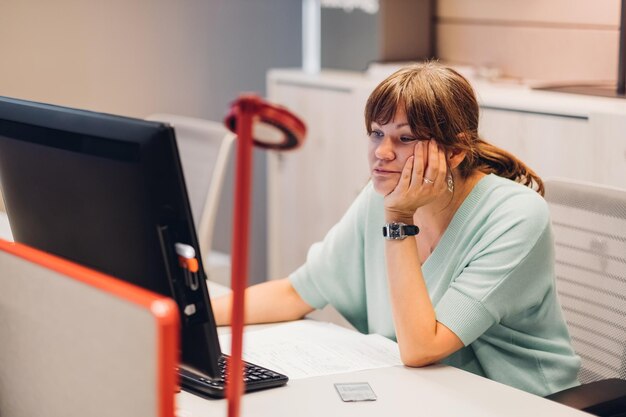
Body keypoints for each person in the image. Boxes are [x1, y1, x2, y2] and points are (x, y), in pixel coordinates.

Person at [212, 61, 581, 396]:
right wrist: (188, 316)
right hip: (422, 391)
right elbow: (297, 292)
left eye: (404, 138)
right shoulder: (383, 196)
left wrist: (400, 220)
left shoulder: (514, 215)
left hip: (515, 400)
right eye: (376, 133)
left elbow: (422, 347)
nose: (382, 153)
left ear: (454, 153)